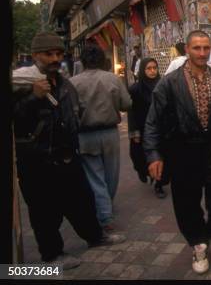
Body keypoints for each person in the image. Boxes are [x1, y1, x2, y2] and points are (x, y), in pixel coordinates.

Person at [12, 31, 125, 270]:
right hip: (37, 160)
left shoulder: (64, 83)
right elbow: (16, 118)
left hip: (67, 155)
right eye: (48, 54)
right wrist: (33, 97)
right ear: (35, 56)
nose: (54, 58)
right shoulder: (22, 85)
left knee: (81, 201)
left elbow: (75, 113)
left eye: (58, 53)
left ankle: (95, 237)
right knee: (45, 212)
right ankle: (52, 255)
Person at [144, 30, 211, 274]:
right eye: (197, 48)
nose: (202, 53)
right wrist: (153, 154)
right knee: (187, 203)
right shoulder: (169, 83)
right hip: (182, 149)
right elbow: (153, 121)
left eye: (206, 48)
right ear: (187, 49)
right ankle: (198, 244)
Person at [70, 44, 132, 231]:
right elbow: (126, 104)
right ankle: (105, 213)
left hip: (85, 135)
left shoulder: (73, 82)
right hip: (110, 134)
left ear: (82, 61)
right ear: (102, 60)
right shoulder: (112, 79)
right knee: (111, 175)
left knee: (94, 176)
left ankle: (103, 212)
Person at [128, 58, 170, 199]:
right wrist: (134, 131)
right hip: (141, 128)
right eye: (148, 68)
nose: (152, 71)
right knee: (139, 157)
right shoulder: (135, 89)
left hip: (159, 129)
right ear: (142, 70)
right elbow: (131, 111)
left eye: (154, 68)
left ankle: (159, 184)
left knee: (160, 156)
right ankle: (143, 171)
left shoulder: (163, 86)